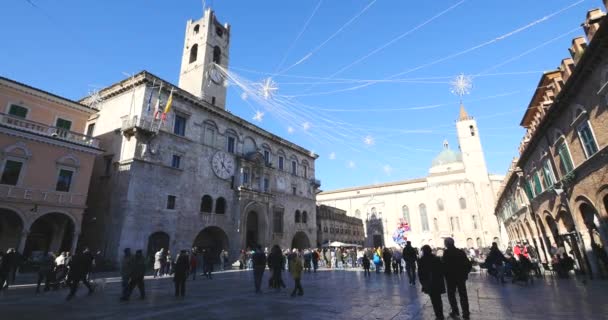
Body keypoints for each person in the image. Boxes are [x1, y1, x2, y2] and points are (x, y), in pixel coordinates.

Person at [442, 237, 471, 320]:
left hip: (451, 278)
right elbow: (468, 264)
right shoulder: (460, 252)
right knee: (463, 295)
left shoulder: (446, 253)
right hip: (460, 277)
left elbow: (445, 266)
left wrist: (445, 275)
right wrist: (464, 274)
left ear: (447, 244)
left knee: (451, 295)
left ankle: (455, 310)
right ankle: (466, 312)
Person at [418, 245, 446, 320]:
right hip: (437, 283)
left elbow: (420, 274)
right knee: (438, 299)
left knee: (434, 300)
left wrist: (423, 283)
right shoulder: (436, 259)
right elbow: (442, 271)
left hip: (429, 283)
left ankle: (438, 315)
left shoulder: (422, 260)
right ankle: (440, 315)